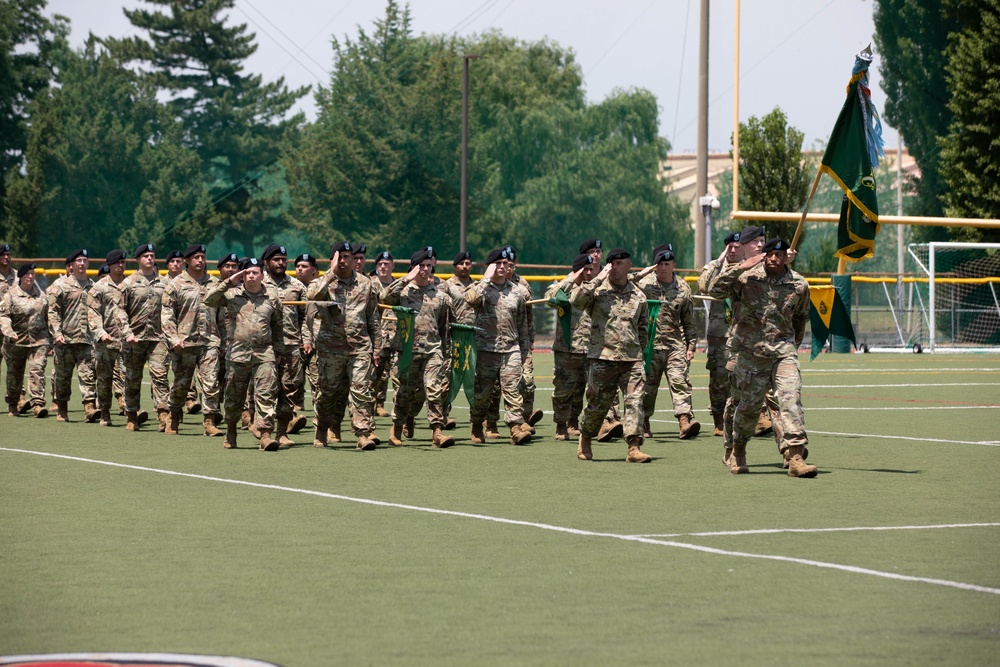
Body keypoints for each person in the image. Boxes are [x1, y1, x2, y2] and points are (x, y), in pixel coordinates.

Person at [706, 238, 817, 477]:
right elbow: (713, 289)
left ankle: (796, 455)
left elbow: (800, 317)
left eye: (779, 254)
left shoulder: (798, 284)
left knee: (791, 399)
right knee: (748, 408)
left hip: (783, 352)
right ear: (764, 255)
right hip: (749, 353)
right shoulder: (747, 278)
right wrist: (741, 267)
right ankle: (738, 450)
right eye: (769, 254)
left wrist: (792, 346)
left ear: (786, 256)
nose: (774, 258)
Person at [570, 248, 651, 463]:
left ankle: (633, 447)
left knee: (635, 401)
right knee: (598, 405)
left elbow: (643, 328)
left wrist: (639, 352)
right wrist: (596, 279)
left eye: (619, 263)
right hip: (603, 358)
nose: (614, 267)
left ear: (628, 266)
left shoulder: (638, 295)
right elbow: (576, 301)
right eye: (611, 263)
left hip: (632, 359)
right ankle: (586, 437)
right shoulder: (598, 291)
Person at [306, 241, 382, 450]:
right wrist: (330, 273)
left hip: (359, 347)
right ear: (332, 260)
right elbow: (312, 297)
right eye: (339, 257)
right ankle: (322, 429)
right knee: (328, 392)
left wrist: (377, 348)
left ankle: (362, 434)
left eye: (347, 256)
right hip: (330, 348)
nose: (343, 260)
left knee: (360, 390)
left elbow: (372, 317)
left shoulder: (366, 283)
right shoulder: (324, 282)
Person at [205, 257, 284, 450]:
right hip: (238, 354)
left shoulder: (272, 298)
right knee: (234, 396)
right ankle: (231, 431)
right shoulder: (232, 295)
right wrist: (230, 281)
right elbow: (209, 299)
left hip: (264, 353)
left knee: (266, 395)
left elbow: (278, 326)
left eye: (254, 272)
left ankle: (265, 435)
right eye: (247, 272)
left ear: (262, 275)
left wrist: (279, 351)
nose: (250, 276)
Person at [382, 248, 455, 448]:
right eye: (420, 266)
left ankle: (437, 431)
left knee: (434, 390)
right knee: (405, 391)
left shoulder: (440, 296)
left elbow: (443, 327)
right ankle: (397, 427)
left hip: (432, 351)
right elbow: (384, 298)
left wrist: (445, 353)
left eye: (428, 266)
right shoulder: (403, 292)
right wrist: (406, 278)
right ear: (414, 267)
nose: (424, 270)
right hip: (407, 350)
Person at [464, 247, 532, 446]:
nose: (503, 267)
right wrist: (486, 278)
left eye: (505, 264)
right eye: (498, 264)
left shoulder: (517, 292)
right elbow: (470, 300)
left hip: (510, 350)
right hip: (486, 350)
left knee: (513, 390)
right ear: (490, 266)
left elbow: (522, 325)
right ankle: (477, 425)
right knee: (483, 394)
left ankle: (515, 428)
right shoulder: (481, 288)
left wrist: (525, 350)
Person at [633, 246, 700, 439]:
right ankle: (644, 422)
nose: (663, 268)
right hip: (650, 346)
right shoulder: (644, 285)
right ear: (655, 267)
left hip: (674, 345)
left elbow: (688, 320)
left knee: (680, 381)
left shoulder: (683, 288)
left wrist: (691, 344)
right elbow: (622, 283)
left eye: (667, 264)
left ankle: (684, 421)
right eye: (660, 264)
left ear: (674, 266)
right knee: (648, 387)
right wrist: (640, 274)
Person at [160, 244, 224, 437]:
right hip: (184, 343)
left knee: (211, 383)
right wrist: (173, 338)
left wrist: (224, 340)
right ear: (187, 261)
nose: (200, 260)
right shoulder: (175, 284)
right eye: (196, 257)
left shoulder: (214, 283)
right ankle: (174, 415)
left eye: (202, 256)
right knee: (182, 384)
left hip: (210, 341)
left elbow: (223, 315)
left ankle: (209, 421)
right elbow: (166, 314)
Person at [544, 253, 595, 441]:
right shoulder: (564, 288)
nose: (589, 273)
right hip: (566, 347)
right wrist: (571, 279)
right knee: (563, 389)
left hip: (590, 348)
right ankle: (560, 425)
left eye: (591, 269)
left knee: (584, 389)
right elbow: (550, 298)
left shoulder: (594, 288)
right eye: (585, 269)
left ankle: (574, 422)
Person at [261, 242, 308, 447]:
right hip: (265, 346)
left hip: (291, 345)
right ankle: (264, 431)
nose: (280, 263)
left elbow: (306, 317)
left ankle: (281, 432)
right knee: (266, 389)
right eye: (276, 260)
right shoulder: (257, 283)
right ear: (266, 262)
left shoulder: (297, 286)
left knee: (289, 389)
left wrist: (306, 339)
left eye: (283, 260)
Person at [120, 243, 171, 431]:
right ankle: (132, 415)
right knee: (133, 378)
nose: (150, 258)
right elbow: (119, 311)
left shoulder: (164, 283)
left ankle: (163, 415)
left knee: (160, 375)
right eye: (145, 256)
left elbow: (171, 309)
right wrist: (127, 333)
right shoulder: (128, 283)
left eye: (152, 255)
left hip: (158, 337)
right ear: (138, 260)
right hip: (135, 338)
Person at [698, 231, 742, 436]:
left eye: (737, 246)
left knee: (746, 378)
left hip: (744, 334)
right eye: (729, 246)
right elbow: (703, 285)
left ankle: (753, 419)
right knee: (719, 379)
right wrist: (719, 260)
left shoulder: (750, 269)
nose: (733, 249)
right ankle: (718, 420)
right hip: (720, 335)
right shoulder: (718, 269)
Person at [47, 249, 98, 423]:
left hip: (87, 340)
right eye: (79, 261)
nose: (82, 263)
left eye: (85, 260)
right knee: (63, 376)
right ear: (72, 265)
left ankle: (90, 408)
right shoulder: (60, 286)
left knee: (88, 376)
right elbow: (53, 312)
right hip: (66, 341)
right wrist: (57, 333)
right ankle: (62, 409)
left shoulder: (93, 286)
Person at [86, 251, 130, 426]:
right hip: (106, 340)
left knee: (130, 376)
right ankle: (104, 412)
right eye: (117, 262)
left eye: (123, 262)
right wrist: (100, 333)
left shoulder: (130, 284)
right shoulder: (99, 287)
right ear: (110, 265)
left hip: (127, 340)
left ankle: (130, 411)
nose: (121, 265)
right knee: (104, 379)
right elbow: (93, 313)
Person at [0, 263, 50, 417]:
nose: (30, 276)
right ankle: (13, 404)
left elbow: (48, 316)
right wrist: (9, 331)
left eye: (32, 274)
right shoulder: (10, 295)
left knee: (37, 369)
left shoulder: (41, 295)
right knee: (15, 374)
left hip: (38, 339)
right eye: (27, 274)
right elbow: (3, 316)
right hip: (16, 340)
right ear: (20, 277)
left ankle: (37, 403)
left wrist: (53, 336)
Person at [294, 253, 321, 421]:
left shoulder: (321, 287)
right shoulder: (291, 288)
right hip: (295, 342)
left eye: (304, 266)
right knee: (292, 381)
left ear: (314, 270)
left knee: (319, 382)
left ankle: (321, 419)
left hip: (319, 342)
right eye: (297, 266)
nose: (299, 269)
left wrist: (309, 340)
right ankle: (292, 416)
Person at [370, 250, 397, 417]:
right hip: (378, 335)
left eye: (386, 264)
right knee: (375, 373)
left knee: (395, 374)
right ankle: (372, 404)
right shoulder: (370, 284)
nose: (383, 267)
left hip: (395, 335)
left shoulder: (398, 285)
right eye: (380, 264)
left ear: (393, 266)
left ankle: (394, 407)